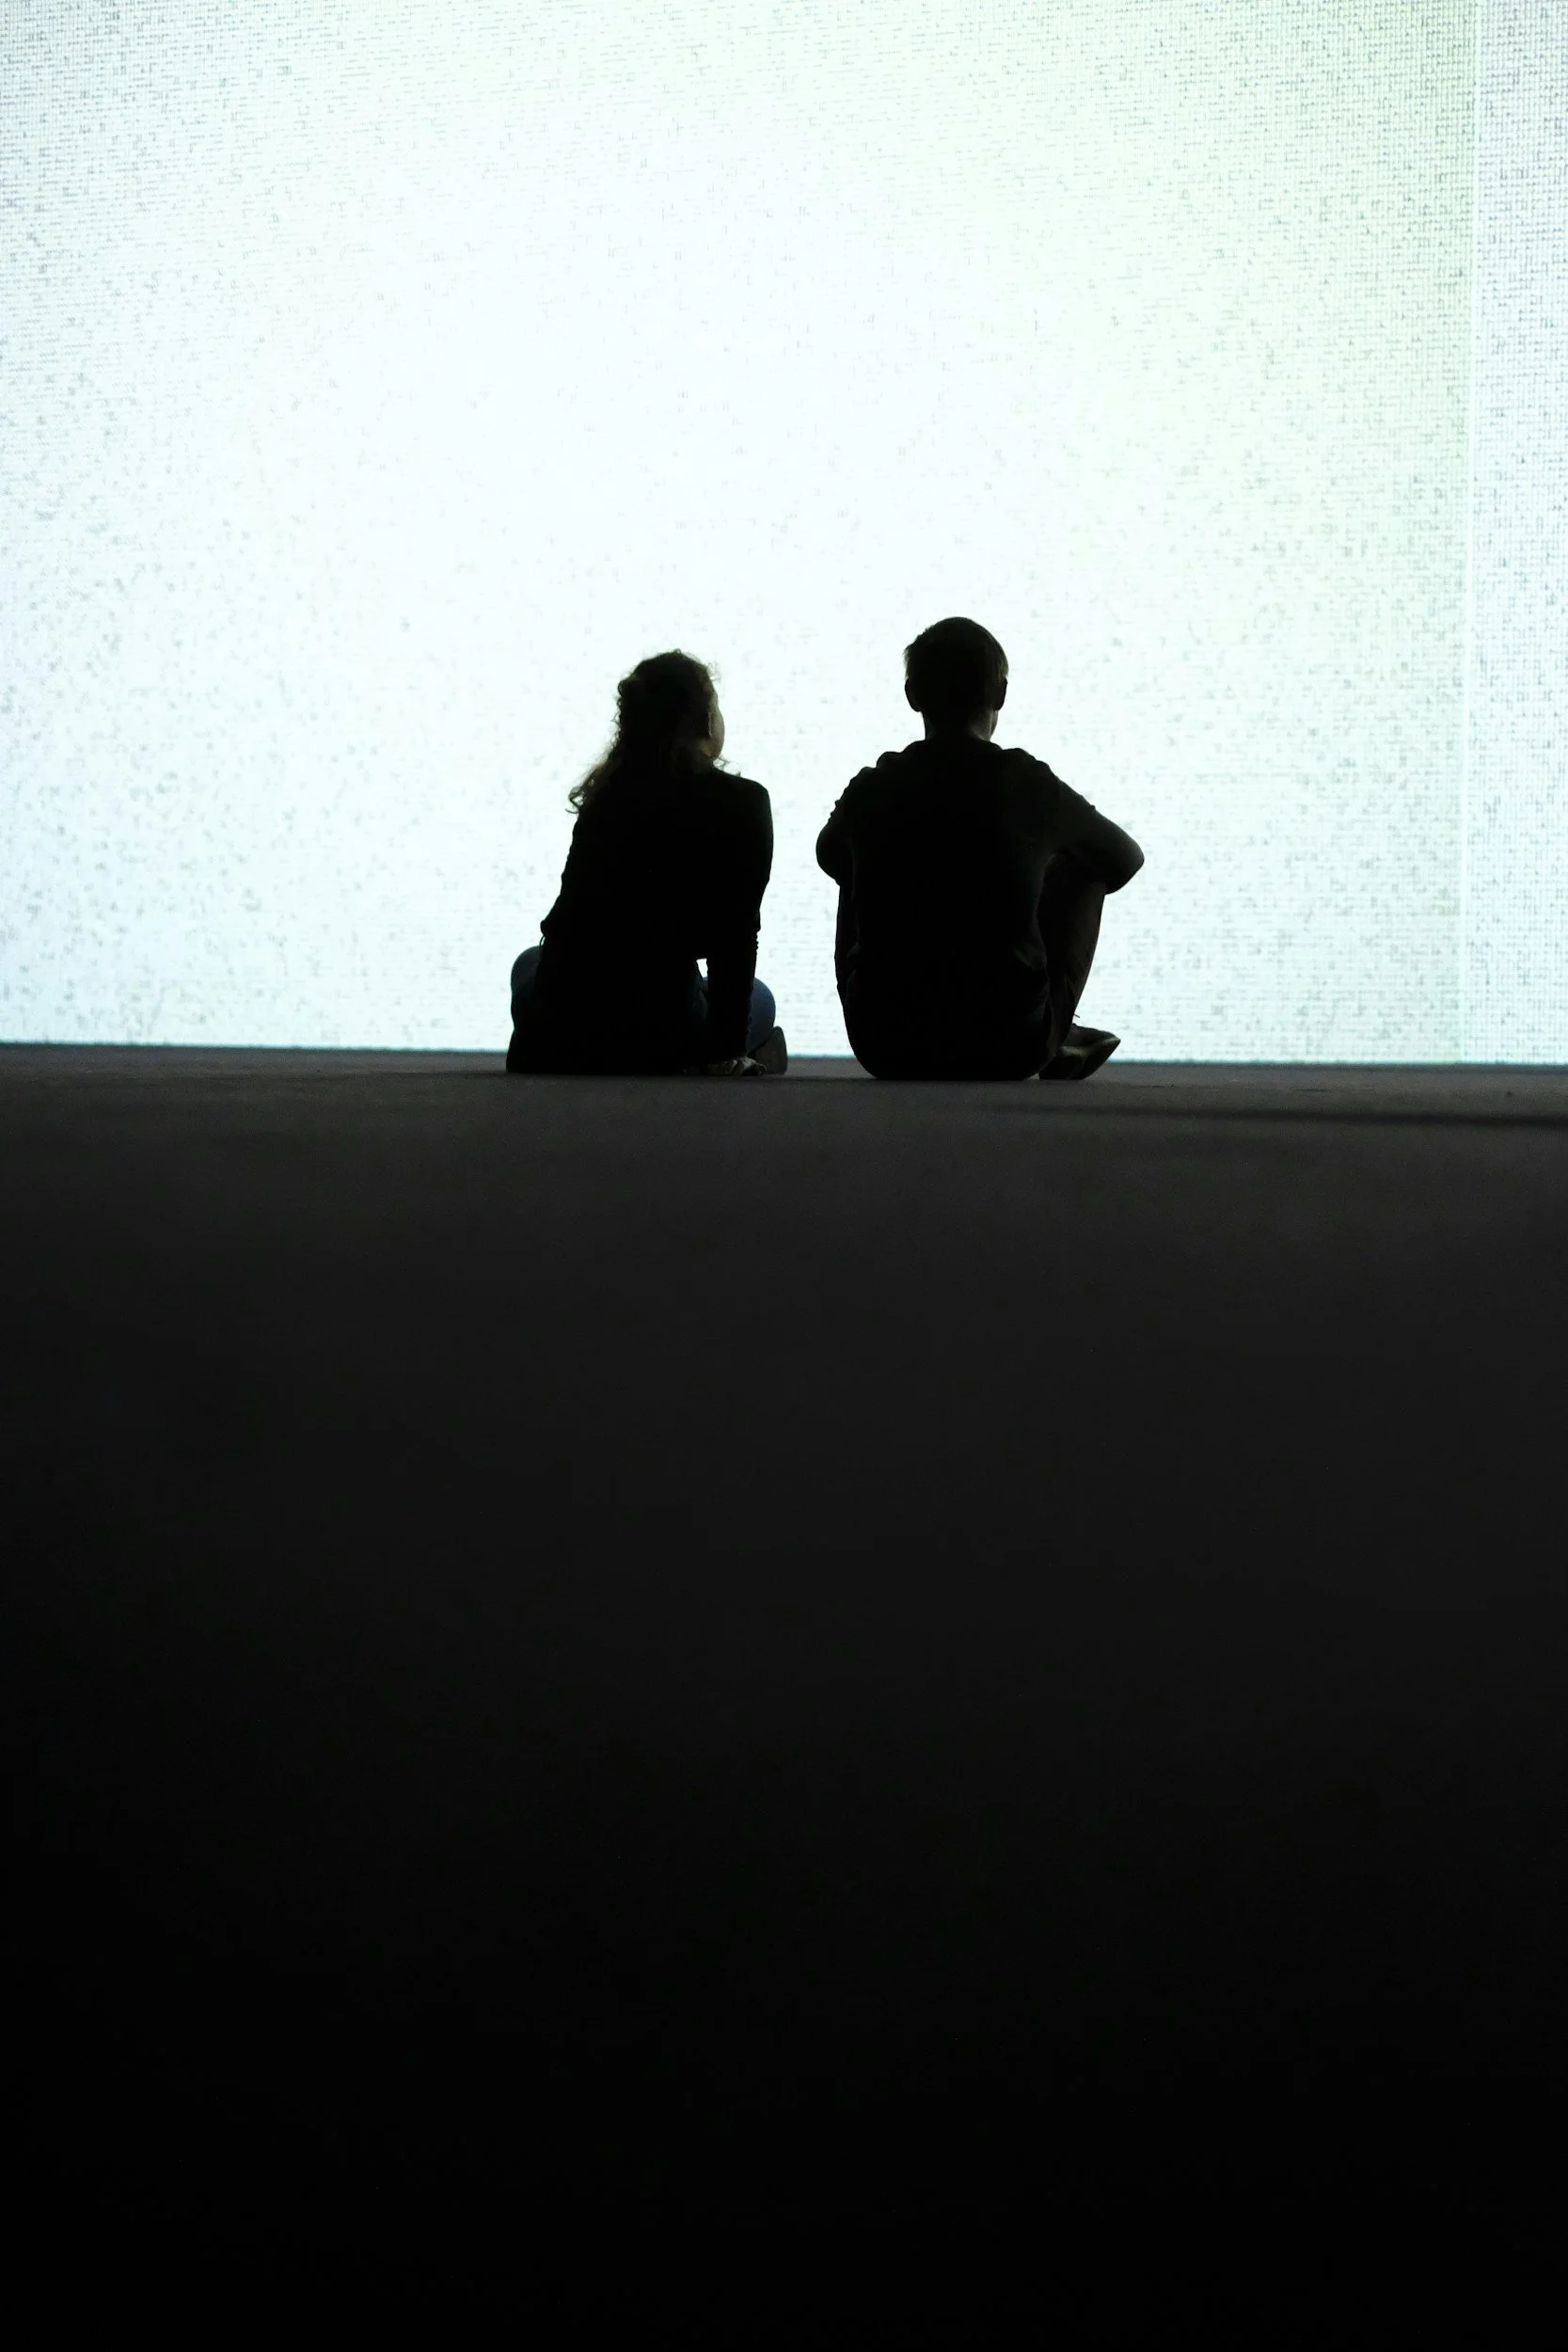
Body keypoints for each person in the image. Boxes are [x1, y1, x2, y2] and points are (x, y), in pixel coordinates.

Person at [816, 617, 1144, 1079]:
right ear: (1001, 695)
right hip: (1010, 1044)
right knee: (1086, 869)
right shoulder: (1026, 783)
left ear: (912, 695)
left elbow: (827, 855)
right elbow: (1124, 859)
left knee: (854, 860)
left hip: (884, 1042)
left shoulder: (874, 785)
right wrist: (1039, 877)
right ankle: (1054, 1031)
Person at [507, 651, 786, 1077]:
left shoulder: (606, 796)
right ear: (707, 721)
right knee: (760, 997)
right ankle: (753, 1050)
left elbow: (566, 922)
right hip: (665, 1028)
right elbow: (736, 935)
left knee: (529, 963)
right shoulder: (743, 802)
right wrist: (725, 1050)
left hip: (559, 1029)